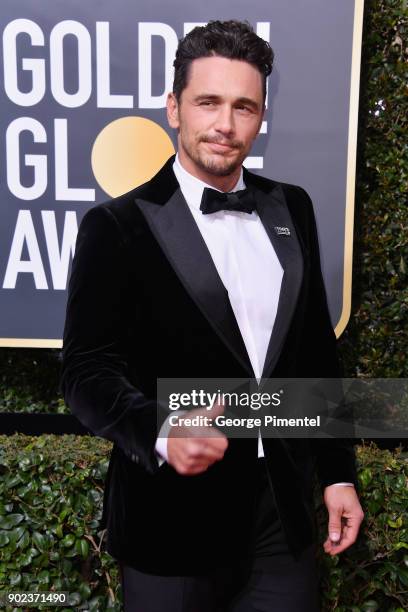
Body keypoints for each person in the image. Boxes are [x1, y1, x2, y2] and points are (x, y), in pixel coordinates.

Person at [60, 20, 364, 612]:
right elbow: (84, 373)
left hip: (283, 520)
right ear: (174, 108)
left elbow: (314, 357)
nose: (226, 125)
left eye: (244, 107)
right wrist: (160, 427)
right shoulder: (118, 227)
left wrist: (336, 473)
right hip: (170, 522)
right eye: (208, 102)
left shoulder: (291, 208)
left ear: (262, 115)